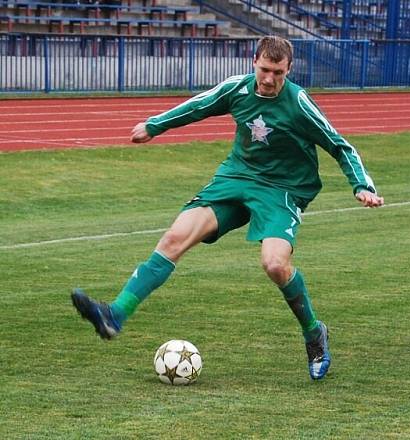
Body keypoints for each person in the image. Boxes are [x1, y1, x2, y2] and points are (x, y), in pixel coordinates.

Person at [70, 35, 384, 381]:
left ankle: (314, 333)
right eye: (264, 69)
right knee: (175, 237)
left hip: (283, 189)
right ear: (254, 62)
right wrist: (154, 126)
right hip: (236, 178)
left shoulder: (299, 103)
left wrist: (362, 186)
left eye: (277, 72)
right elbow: (197, 106)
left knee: (275, 265)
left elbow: (340, 146)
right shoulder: (238, 89)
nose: (269, 79)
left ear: (289, 69)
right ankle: (114, 315)